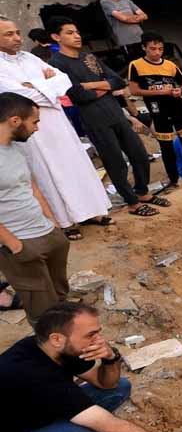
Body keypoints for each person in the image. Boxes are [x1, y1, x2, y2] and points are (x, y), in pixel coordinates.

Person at [0, 302, 182, 432]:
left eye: (98, 332)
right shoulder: (35, 376)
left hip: (22, 423)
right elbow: (113, 428)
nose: (99, 340)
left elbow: (106, 384)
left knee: (119, 388)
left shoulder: (49, 348)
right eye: (90, 335)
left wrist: (110, 357)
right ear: (56, 339)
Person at [0, 19, 112, 242]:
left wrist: (36, 86)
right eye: (8, 34)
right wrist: (46, 86)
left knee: (74, 164)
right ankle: (65, 222)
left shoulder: (30, 58)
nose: (17, 38)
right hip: (31, 129)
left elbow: (64, 81)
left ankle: (90, 211)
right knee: (48, 173)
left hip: (58, 122)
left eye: (17, 32)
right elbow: (18, 98)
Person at [47, 19, 164, 218]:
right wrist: (103, 87)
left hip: (115, 112)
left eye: (77, 32)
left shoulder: (89, 57)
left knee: (139, 154)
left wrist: (91, 85)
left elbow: (117, 81)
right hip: (94, 118)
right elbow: (77, 94)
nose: (77, 36)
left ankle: (142, 192)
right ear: (56, 37)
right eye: (69, 33)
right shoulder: (57, 64)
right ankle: (132, 202)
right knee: (115, 161)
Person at [0, 93, 70, 324]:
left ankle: (66, 331)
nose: (37, 128)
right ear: (15, 121)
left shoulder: (16, 148)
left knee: (59, 295)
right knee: (43, 311)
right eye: (34, 122)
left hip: (46, 231)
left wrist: (53, 223)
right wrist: (14, 245)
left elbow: (32, 187)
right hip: (20, 241)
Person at [127, 33, 182, 190]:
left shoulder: (170, 65)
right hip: (157, 109)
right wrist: (160, 92)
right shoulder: (136, 65)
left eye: (160, 49)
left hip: (177, 106)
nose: (157, 52)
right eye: (152, 49)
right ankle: (173, 181)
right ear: (144, 47)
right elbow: (134, 90)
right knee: (166, 146)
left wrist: (180, 90)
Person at [98, 0, 148, 70]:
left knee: (148, 64)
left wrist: (130, 18)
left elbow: (144, 15)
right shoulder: (105, 2)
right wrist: (137, 18)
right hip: (126, 41)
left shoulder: (126, 0)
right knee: (136, 68)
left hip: (140, 37)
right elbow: (123, 19)